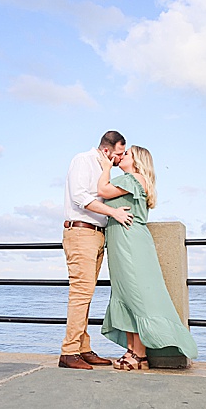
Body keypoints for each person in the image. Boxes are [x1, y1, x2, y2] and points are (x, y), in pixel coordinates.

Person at [97, 145, 198, 370]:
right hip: (119, 242)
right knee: (124, 295)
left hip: (131, 243)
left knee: (136, 295)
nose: (121, 156)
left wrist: (105, 167)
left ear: (137, 161)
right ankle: (133, 350)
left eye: (127, 153)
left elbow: (103, 191)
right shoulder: (126, 180)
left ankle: (140, 354)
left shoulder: (135, 179)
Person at [59, 130, 134, 370]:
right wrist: (114, 213)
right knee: (81, 293)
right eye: (119, 153)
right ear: (106, 150)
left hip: (96, 234)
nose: (120, 158)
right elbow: (80, 196)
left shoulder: (105, 169)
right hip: (81, 232)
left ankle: (82, 348)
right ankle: (69, 352)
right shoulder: (82, 160)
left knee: (87, 294)